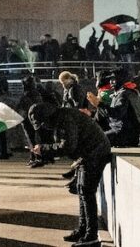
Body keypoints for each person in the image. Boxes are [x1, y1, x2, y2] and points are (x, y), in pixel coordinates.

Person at [29, 103, 111, 247]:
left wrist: (44, 149)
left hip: (94, 153)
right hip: (89, 153)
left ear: (47, 117)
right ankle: (83, 230)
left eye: (43, 123)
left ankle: (91, 236)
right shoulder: (61, 117)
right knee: (82, 191)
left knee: (86, 192)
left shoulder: (65, 119)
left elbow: (68, 145)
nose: (44, 126)